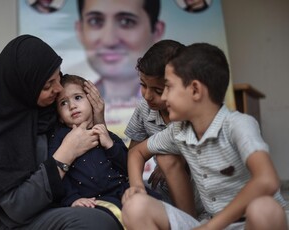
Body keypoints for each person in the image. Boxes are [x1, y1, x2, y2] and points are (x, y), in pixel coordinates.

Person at [121, 43, 288, 229]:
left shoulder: (238, 125)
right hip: (211, 222)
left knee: (264, 209)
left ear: (195, 90)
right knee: (134, 207)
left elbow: (267, 180)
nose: (164, 97)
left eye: (167, 88)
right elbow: (136, 152)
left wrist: (211, 226)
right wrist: (137, 188)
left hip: (247, 223)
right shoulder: (178, 131)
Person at [0, 34, 121, 229]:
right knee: (92, 223)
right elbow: (17, 208)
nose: (58, 88)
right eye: (47, 85)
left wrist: (98, 122)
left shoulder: (52, 110)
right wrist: (66, 154)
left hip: (66, 204)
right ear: (26, 88)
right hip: (20, 222)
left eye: (57, 76)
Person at [48, 74, 167, 228]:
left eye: (78, 98)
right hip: (92, 201)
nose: (72, 106)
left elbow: (128, 166)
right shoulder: (59, 139)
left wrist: (110, 145)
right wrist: (72, 199)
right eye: (63, 103)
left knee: (152, 206)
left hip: (122, 191)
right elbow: (58, 176)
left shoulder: (104, 133)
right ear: (60, 118)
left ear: (92, 101)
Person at [124, 39, 197, 217]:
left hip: (205, 193)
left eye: (158, 90)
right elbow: (134, 153)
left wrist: (175, 164)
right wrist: (137, 191)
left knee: (167, 157)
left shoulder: (199, 112)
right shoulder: (144, 110)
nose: (148, 96)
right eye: (142, 85)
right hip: (169, 195)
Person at [75, 0, 164, 103]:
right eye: (95, 21)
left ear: (157, 31)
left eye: (126, 21)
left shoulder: (171, 102)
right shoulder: (77, 102)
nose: (109, 41)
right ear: (80, 31)